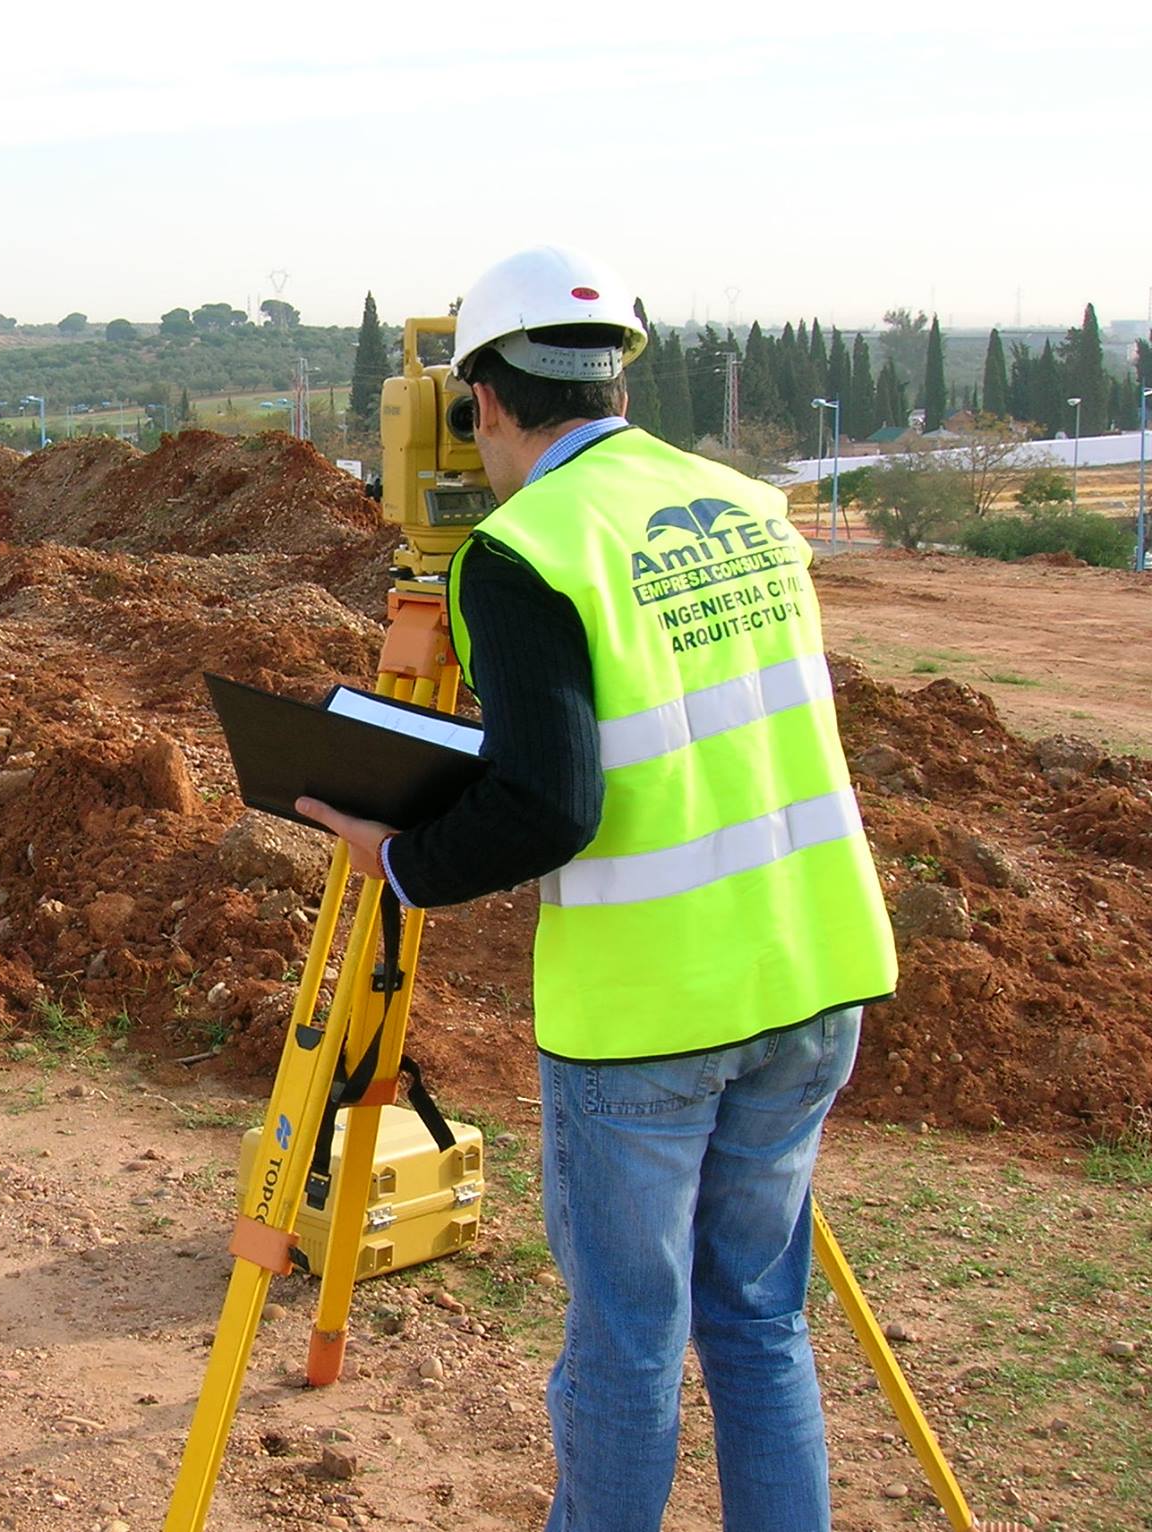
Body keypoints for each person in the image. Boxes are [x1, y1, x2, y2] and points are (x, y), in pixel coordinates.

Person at [297, 246, 898, 1532]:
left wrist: (397, 855)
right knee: (755, 1317)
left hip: (648, 1011)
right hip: (814, 971)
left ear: (485, 404)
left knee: (628, 1340)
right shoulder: (744, 506)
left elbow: (549, 803)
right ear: (614, 381)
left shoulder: (519, 553)